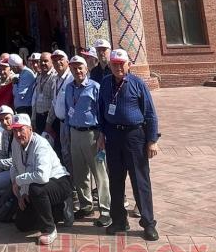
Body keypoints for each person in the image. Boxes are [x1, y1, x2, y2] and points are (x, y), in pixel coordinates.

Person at [96, 48, 160, 241]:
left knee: (140, 180)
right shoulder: (105, 84)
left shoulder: (137, 84)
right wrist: (101, 134)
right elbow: (101, 110)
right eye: (114, 64)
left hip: (134, 137)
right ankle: (119, 221)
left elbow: (150, 113)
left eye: (121, 64)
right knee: (115, 180)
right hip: (113, 137)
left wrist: (152, 140)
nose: (117, 67)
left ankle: (148, 223)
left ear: (128, 65)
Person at [9, 113, 74, 246]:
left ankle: (50, 229)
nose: (18, 134)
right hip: (40, 185)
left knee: (36, 190)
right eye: (15, 130)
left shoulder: (41, 145)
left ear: (30, 129)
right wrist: (22, 194)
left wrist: (19, 181)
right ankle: (58, 211)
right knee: (22, 224)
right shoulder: (15, 143)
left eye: (21, 129)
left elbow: (42, 176)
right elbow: (16, 168)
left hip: (59, 181)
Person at [65, 55, 111, 226]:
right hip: (75, 133)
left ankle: (106, 210)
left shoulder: (95, 87)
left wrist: (102, 135)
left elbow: (102, 111)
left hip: (92, 135)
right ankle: (86, 205)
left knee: (99, 174)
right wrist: (68, 134)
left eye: (80, 67)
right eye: (74, 68)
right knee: (80, 173)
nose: (77, 71)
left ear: (86, 69)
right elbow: (69, 110)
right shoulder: (69, 88)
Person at [50, 50, 74, 168]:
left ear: (67, 62)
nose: (57, 62)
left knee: (74, 154)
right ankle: (72, 182)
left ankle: (79, 183)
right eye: (54, 60)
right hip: (61, 123)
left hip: (71, 124)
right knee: (65, 153)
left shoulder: (72, 78)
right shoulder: (56, 79)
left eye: (60, 59)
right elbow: (54, 103)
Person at [32, 52, 56, 135]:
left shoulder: (54, 77)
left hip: (49, 119)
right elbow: (36, 99)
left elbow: (54, 102)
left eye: (46, 61)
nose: (42, 63)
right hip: (39, 117)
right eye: (41, 61)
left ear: (52, 62)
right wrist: (33, 118)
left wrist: (48, 123)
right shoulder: (39, 77)